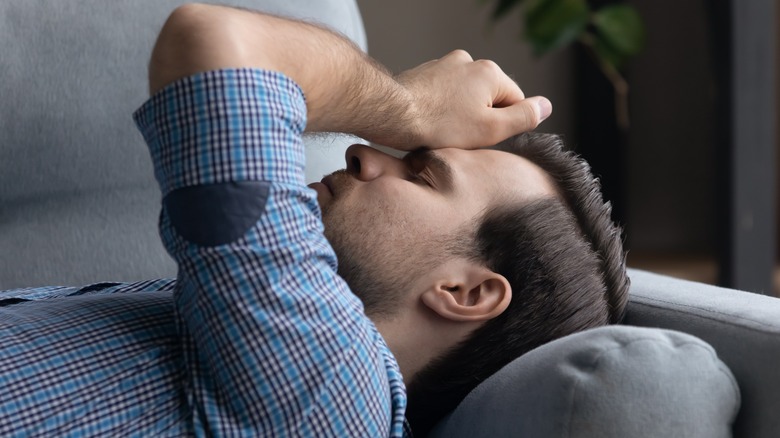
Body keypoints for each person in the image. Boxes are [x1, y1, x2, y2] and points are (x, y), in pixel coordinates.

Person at [0, 4, 628, 437]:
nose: (363, 150)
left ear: (466, 293)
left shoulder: (330, 384)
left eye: (420, 173)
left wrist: (407, 107)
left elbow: (213, 42)